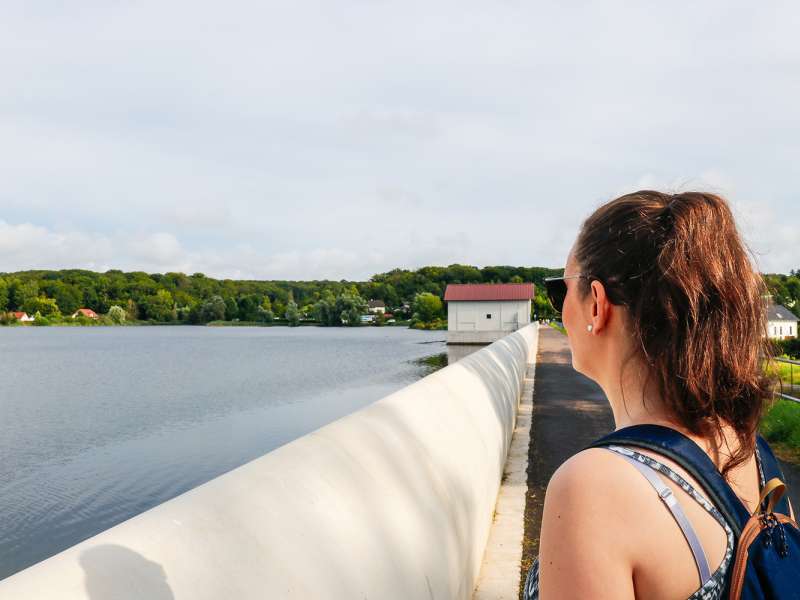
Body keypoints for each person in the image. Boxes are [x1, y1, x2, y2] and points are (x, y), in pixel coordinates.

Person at [523, 190, 796, 599]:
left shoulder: (593, 489)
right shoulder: (748, 446)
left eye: (559, 291)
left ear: (597, 305)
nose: (560, 309)